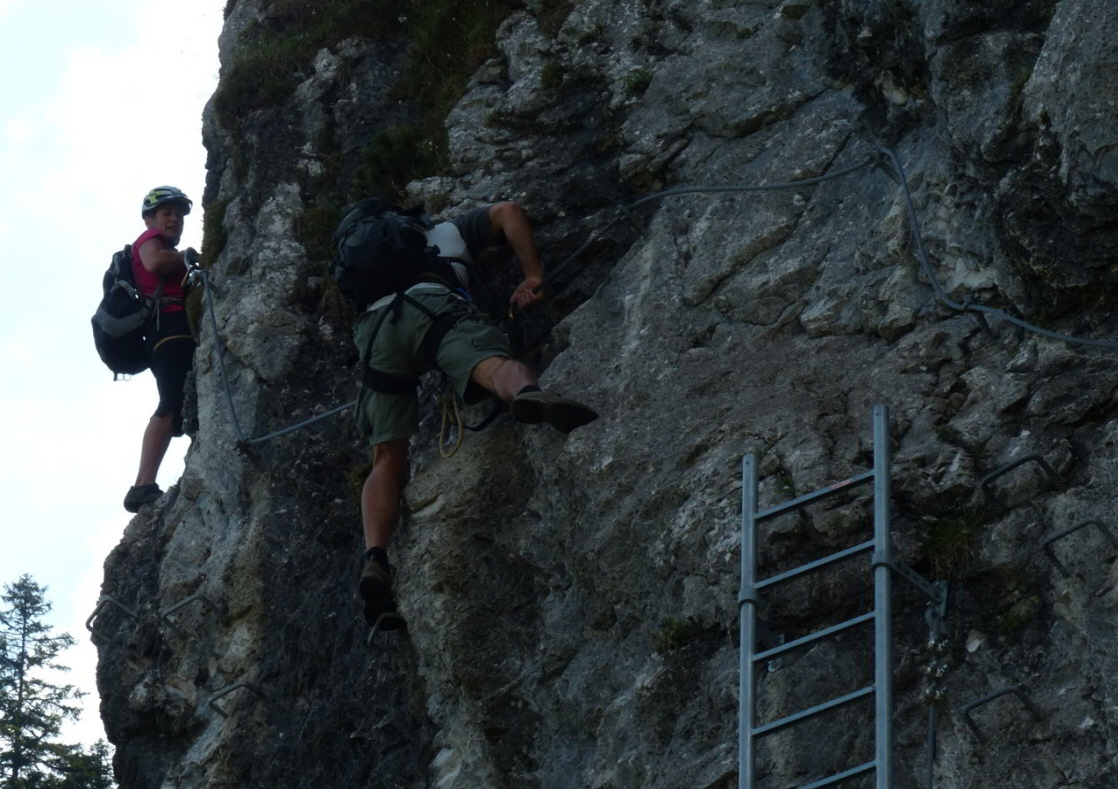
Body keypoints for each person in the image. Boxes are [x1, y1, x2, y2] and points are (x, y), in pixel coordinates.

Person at [354, 201, 598, 628]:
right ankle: (527, 393)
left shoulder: (361, 259)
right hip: (433, 307)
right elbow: (508, 211)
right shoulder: (447, 231)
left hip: (374, 330)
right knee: (492, 364)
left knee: (387, 458)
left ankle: (375, 555)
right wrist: (532, 274)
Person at [122, 186, 197, 513]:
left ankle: (145, 482)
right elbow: (153, 264)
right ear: (150, 219)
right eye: (167, 213)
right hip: (167, 330)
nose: (174, 219)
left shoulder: (167, 249)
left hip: (168, 332)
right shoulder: (150, 242)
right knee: (169, 403)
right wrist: (188, 257)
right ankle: (142, 485)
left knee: (178, 400)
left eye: (178, 214)